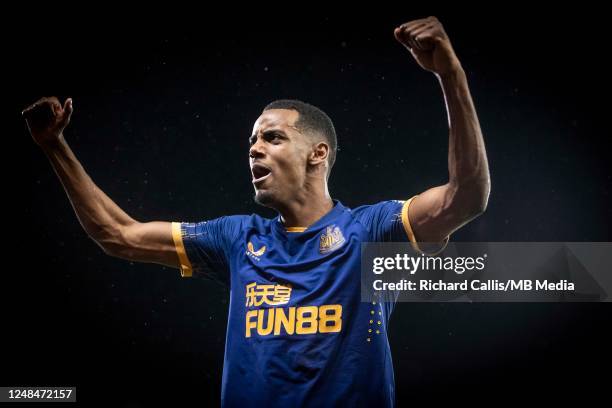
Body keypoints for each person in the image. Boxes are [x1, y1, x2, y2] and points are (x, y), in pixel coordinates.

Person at [23, 16, 490, 408]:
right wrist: (54, 146)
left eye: (272, 138)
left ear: (317, 153)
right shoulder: (237, 239)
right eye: (251, 141)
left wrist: (450, 74)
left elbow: (465, 197)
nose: (254, 149)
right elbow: (117, 234)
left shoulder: (372, 231)